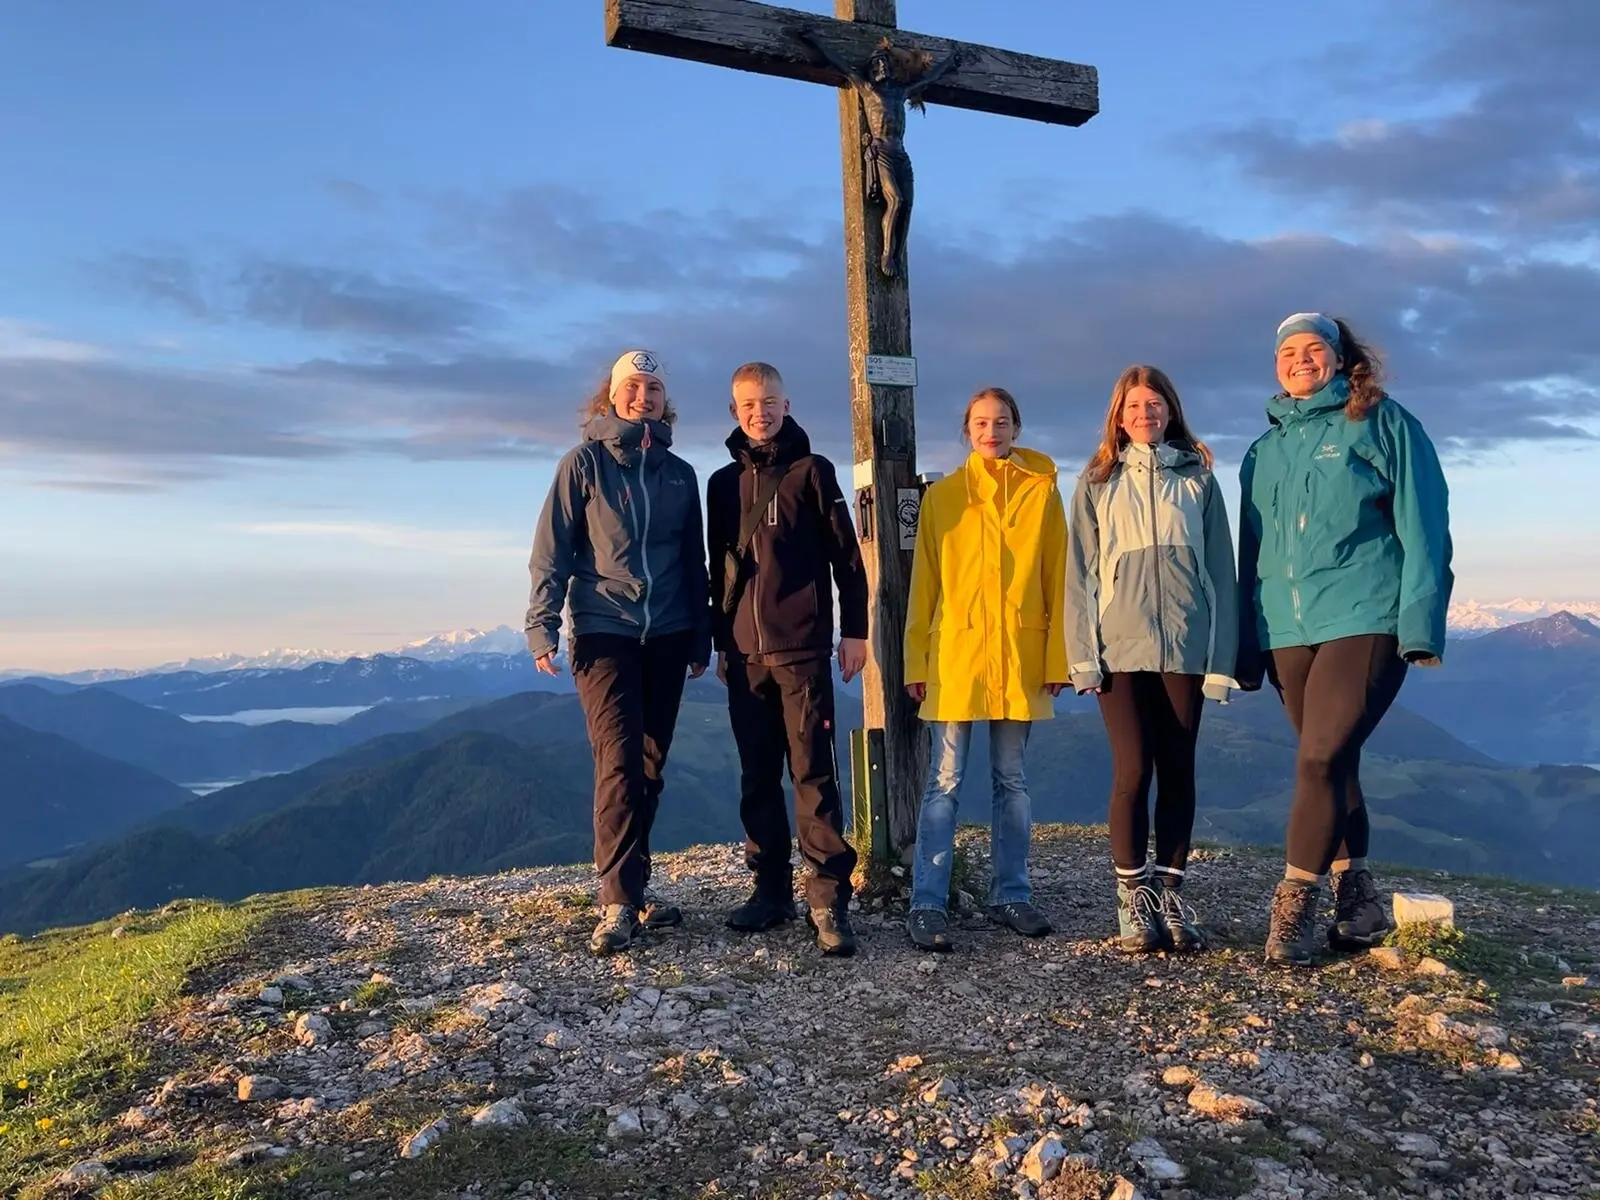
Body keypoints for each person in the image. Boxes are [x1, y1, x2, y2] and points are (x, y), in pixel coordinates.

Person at [1236, 313, 1453, 966]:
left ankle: (1294, 907)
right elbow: (1254, 553)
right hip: (1286, 630)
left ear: (1338, 357)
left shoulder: (1383, 421)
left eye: (1313, 349)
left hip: (1366, 615)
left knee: (1319, 758)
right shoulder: (1261, 453)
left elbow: (1426, 524)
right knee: (1334, 762)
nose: (1299, 360)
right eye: (1287, 352)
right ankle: (1358, 903)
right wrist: (1247, 644)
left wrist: (1419, 624)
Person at [525, 350, 712, 956]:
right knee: (619, 760)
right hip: (605, 629)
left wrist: (700, 634)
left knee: (651, 762)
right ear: (610, 396)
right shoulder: (583, 464)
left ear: (664, 401)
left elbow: (693, 561)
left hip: (670, 633)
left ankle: (636, 888)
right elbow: (551, 551)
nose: (644, 397)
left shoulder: (680, 474)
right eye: (633, 387)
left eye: (653, 388)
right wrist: (542, 625)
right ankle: (616, 903)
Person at [1065, 366, 1239, 955]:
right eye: (1134, 405)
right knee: (1134, 770)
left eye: (1155, 403)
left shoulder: (1199, 480)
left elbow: (1222, 572)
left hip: (1188, 647)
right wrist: (1083, 656)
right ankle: (1132, 903)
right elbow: (1081, 576)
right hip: (1120, 649)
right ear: (1119, 415)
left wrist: (1222, 660)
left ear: (1171, 410)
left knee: (1179, 771)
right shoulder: (1096, 482)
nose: (1145, 413)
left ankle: (1170, 896)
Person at [706, 362, 870, 956]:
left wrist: (856, 632)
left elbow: (847, 561)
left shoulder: (812, 472)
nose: (760, 412)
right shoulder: (722, 486)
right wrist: (723, 643)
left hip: (802, 650)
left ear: (786, 403)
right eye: (748, 404)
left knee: (813, 775)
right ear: (734, 411)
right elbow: (718, 573)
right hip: (745, 657)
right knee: (757, 778)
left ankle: (827, 899)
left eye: (769, 401)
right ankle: (770, 891)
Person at [903, 387, 1068, 952]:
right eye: (980, 422)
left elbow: (1058, 577)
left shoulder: (1043, 494)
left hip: (1020, 656)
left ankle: (1012, 895)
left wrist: (1058, 658)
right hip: (954, 657)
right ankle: (927, 903)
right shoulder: (944, 498)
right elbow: (923, 586)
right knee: (942, 783)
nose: (991, 431)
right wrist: (915, 660)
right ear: (967, 431)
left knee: (1012, 781)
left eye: (1001, 421)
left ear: (1016, 428)